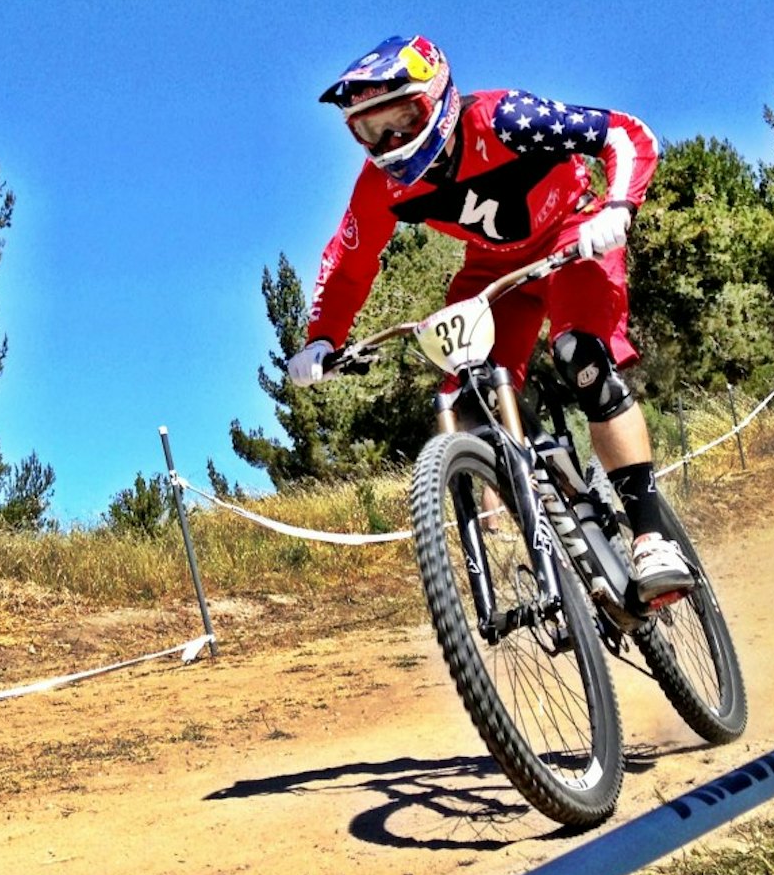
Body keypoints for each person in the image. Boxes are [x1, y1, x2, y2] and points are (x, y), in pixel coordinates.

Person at [287, 34, 692, 604]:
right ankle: (533, 517)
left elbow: (623, 132)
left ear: (440, 100)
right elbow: (349, 264)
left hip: (573, 235)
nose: (393, 140)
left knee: (581, 356)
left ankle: (652, 536)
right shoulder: (382, 185)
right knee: (466, 393)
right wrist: (322, 340)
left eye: (403, 118)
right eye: (371, 130)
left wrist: (620, 204)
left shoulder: (505, 119)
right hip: (491, 271)